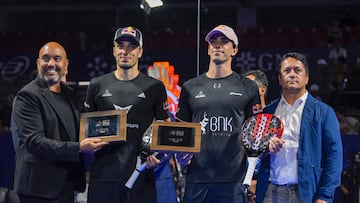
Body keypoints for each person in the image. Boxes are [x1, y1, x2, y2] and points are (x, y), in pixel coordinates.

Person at [11, 41, 108, 203]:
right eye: (46, 58)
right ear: (38, 63)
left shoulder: (69, 95)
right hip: (37, 189)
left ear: (65, 64)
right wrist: (79, 148)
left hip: (66, 185)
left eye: (57, 59)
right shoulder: (27, 95)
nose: (51, 64)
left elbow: (80, 130)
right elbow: (35, 142)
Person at [175, 24, 262, 203]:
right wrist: (180, 153)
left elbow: (255, 135)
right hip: (197, 178)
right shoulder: (190, 87)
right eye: (213, 41)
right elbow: (181, 131)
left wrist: (254, 175)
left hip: (233, 180)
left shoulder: (248, 87)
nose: (217, 45)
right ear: (208, 49)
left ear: (235, 50)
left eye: (224, 41)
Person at [84, 26, 170, 203]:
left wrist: (158, 155)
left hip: (140, 175)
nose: (125, 51)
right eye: (121, 45)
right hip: (103, 176)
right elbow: (85, 130)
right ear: (114, 50)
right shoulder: (96, 85)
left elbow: (166, 129)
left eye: (132, 46)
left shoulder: (155, 87)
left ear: (140, 52)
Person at [256, 52, 343, 203]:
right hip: (271, 191)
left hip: (308, 191)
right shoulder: (268, 112)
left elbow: (334, 155)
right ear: (279, 78)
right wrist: (265, 148)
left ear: (306, 78)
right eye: (286, 70)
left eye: (297, 70)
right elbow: (255, 151)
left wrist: (325, 195)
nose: (292, 74)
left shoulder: (323, 112)